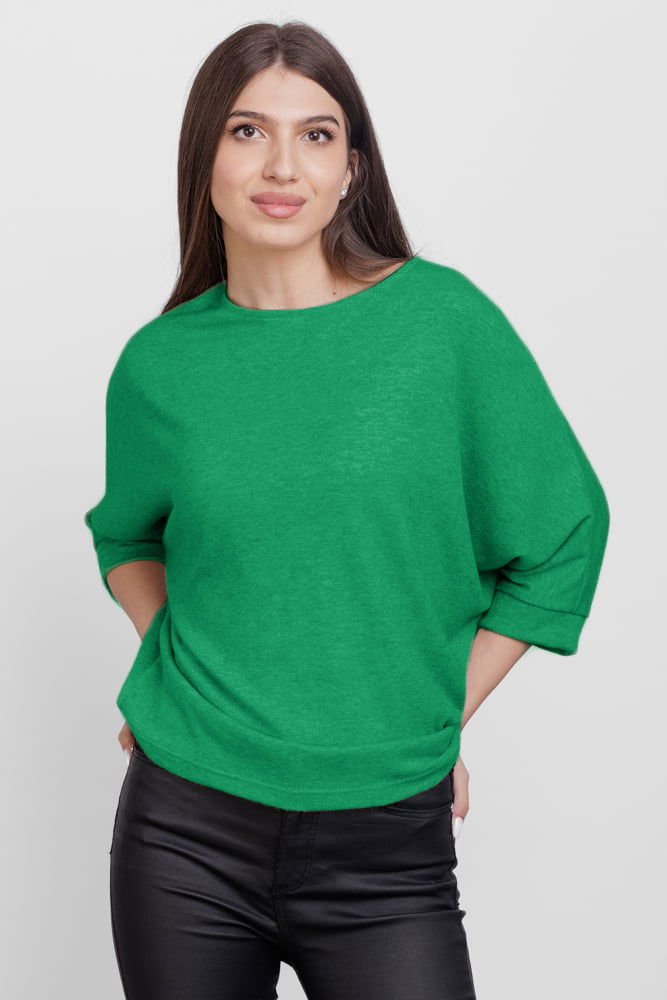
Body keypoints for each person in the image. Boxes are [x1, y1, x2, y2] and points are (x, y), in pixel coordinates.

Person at [84, 20, 610, 1000]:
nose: (282, 165)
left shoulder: (440, 323)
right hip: (183, 832)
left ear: (351, 169)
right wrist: (169, 659)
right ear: (204, 158)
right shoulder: (160, 363)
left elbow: (561, 537)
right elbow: (125, 534)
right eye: (247, 131)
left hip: (386, 845)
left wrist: (437, 713)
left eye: (316, 135)